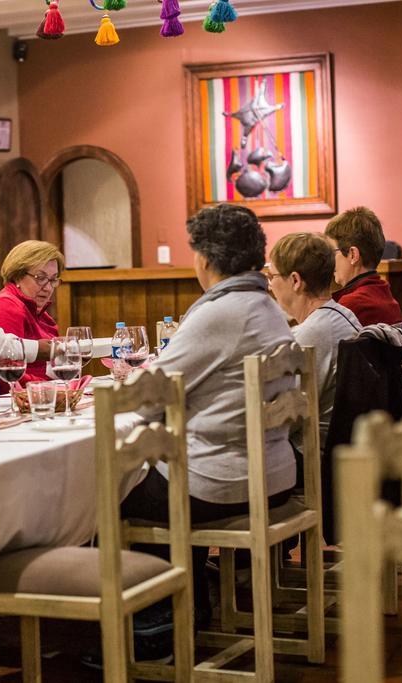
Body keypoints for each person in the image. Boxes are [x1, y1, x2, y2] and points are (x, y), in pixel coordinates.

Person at [122, 204, 296, 635]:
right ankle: (189, 606)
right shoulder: (266, 305)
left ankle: (154, 625)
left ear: (205, 258)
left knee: (105, 495)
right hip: (272, 475)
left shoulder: (221, 312)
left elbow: (146, 400)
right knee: (162, 471)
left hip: (225, 484)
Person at [267, 232, 360, 451]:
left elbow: (288, 421)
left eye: (272, 277)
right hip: (344, 447)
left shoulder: (310, 334)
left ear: (295, 280)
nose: (270, 286)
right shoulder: (344, 315)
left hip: (314, 454)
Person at [0, 240, 64, 384]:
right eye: (40, 278)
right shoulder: (5, 306)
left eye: (53, 280)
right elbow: (3, 372)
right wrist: (48, 389)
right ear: (17, 276)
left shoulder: (39, 312)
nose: (48, 288)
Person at [324, 206, 402, 326]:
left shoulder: (352, 304)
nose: (329, 260)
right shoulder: (382, 293)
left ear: (353, 255)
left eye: (332, 252)